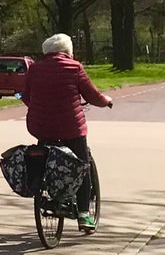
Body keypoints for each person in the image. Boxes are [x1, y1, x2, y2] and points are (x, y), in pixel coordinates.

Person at [20, 33, 112, 231]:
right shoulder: (74, 68)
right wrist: (106, 101)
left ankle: (45, 190)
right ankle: (84, 214)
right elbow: (92, 95)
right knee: (82, 164)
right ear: (67, 51)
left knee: (43, 158)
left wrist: (37, 106)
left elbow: (26, 96)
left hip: (41, 127)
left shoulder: (34, 69)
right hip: (70, 127)